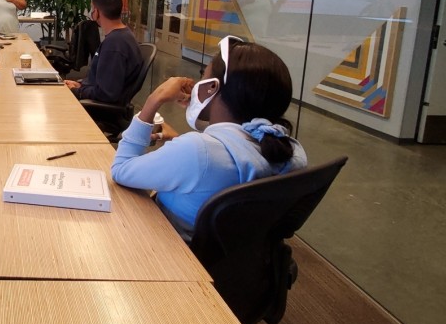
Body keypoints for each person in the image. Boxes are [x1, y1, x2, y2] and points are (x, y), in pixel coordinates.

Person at [110, 35, 307, 238]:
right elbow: (216, 168)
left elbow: (121, 170)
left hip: (171, 253)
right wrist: (179, 141)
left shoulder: (197, 152)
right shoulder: (291, 151)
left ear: (212, 87)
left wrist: (155, 98)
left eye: (203, 75)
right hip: (231, 264)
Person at [65, 0, 143, 107]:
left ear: (96, 12)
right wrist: (81, 85)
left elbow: (106, 94)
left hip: (99, 111)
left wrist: (77, 91)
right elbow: (106, 83)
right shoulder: (123, 36)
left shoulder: (114, 45)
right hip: (98, 101)